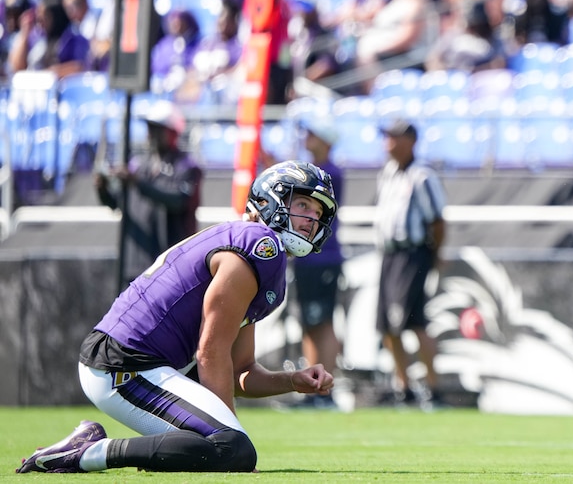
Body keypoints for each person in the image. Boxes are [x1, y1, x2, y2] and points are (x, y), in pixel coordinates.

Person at [17, 161, 338, 474]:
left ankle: (91, 448)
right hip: (125, 365)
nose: (311, 219)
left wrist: (292, 381)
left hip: (136, 363)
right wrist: (229, 435)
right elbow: (210, 352)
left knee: (227, 445)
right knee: (231, 447)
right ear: (271, 200)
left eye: (318, 213)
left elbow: (240, 372)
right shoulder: (260, 246)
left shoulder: (259, 253)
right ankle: (88, 453)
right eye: (304, 205)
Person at [374, 119, 446, 406]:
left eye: (394, 137)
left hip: (412, 254)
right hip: (390, 254)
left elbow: (437, 220)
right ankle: (404, 387)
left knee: (406, 321)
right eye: (387, 137)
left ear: (411, 141)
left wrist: (435, 254)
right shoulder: (389, 173)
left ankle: (432, 386)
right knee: (390, 325)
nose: (388, 143)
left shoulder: (422, 176)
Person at [94, 101, 202, 283]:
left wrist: (138, 182)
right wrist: (102, 188)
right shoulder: (138, 165)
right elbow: (116, 204)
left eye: (157, 128)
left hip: (169, 268)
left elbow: (178, 200)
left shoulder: (186, 167)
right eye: (149, 128)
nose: (151, 134)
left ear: (172, 132)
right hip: (134, 266)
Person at [290, 120, 346, 409]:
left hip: (323, 256)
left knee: (322, 322)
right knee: (310, 323)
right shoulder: (321, 173)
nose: (307, 138)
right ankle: (314, 387)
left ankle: (326, 389)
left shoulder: (330, 174)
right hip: (310, 257)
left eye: (313, 133)